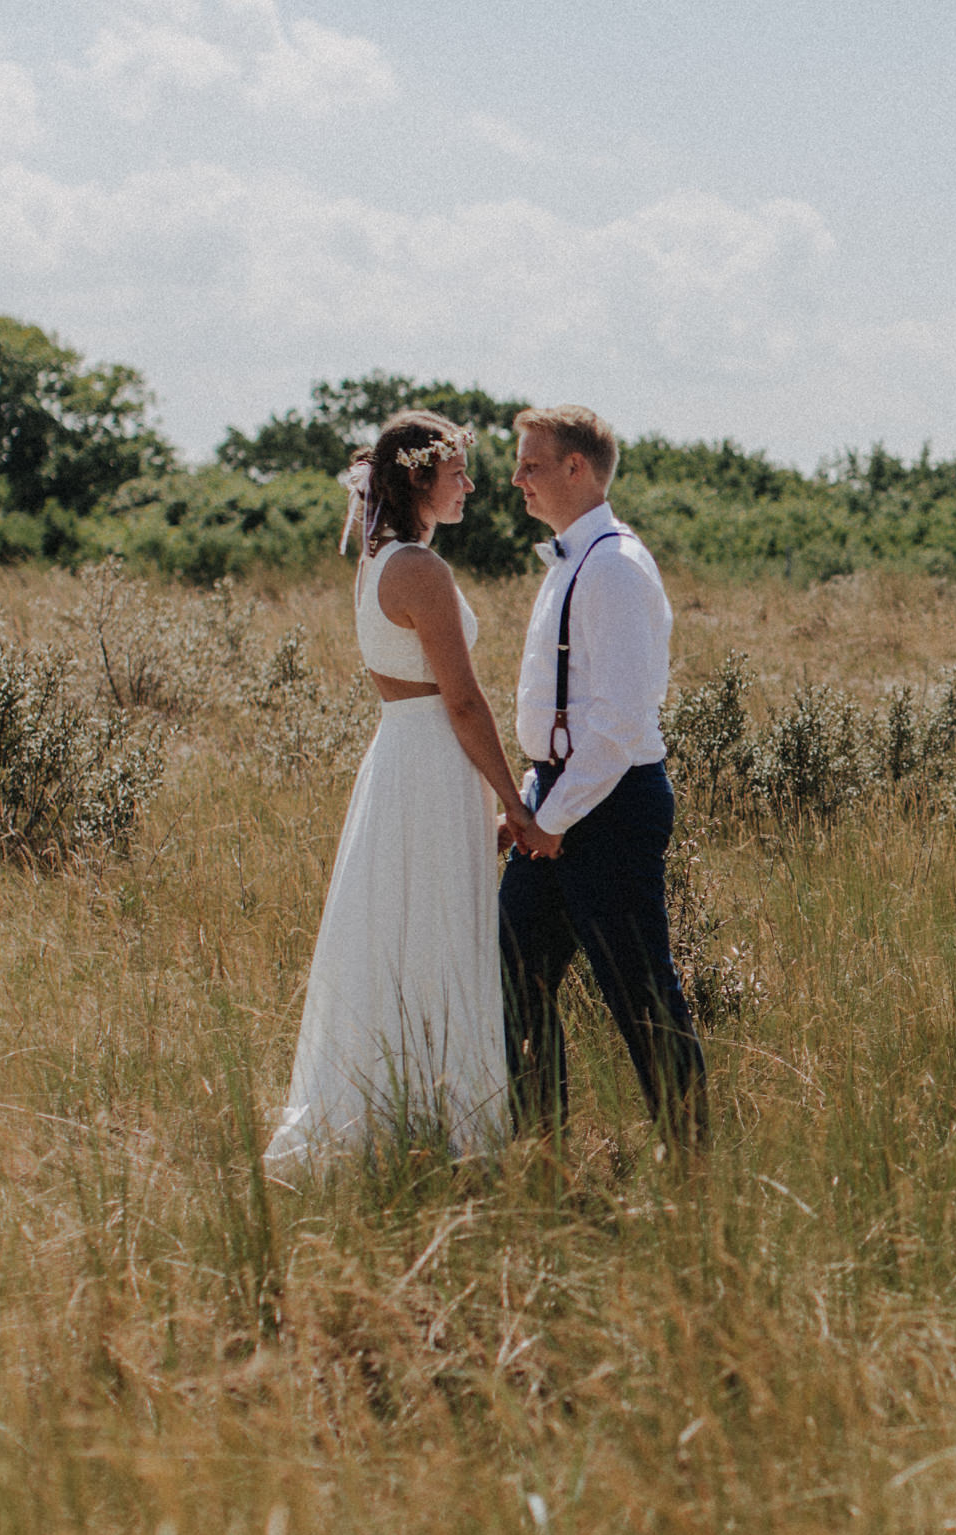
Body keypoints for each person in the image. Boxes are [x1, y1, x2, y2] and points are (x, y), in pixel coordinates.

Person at [263, 412, 558, 1178]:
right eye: (457, 471)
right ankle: (442, 1124)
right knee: (432, 928)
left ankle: (398, 1109)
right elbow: (462, 700)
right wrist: (517, 804)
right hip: (430, 754)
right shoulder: (421, 572)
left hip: (404, 756)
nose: (470, 484)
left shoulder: (377, 560)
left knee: (403, 929)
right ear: (418, 476)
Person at [499, 403, 709, 1147]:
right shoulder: (567, 560)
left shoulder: (613, 566)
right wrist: (533, 804)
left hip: (610, 807)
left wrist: (552, 822)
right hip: (559, 798)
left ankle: (693, 1166)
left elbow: (618, 724)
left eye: (529, 462)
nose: (516, 477)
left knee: (640, 993)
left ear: (574, 468)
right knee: (511, 967)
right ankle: (541, 1146)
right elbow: (566, 711)